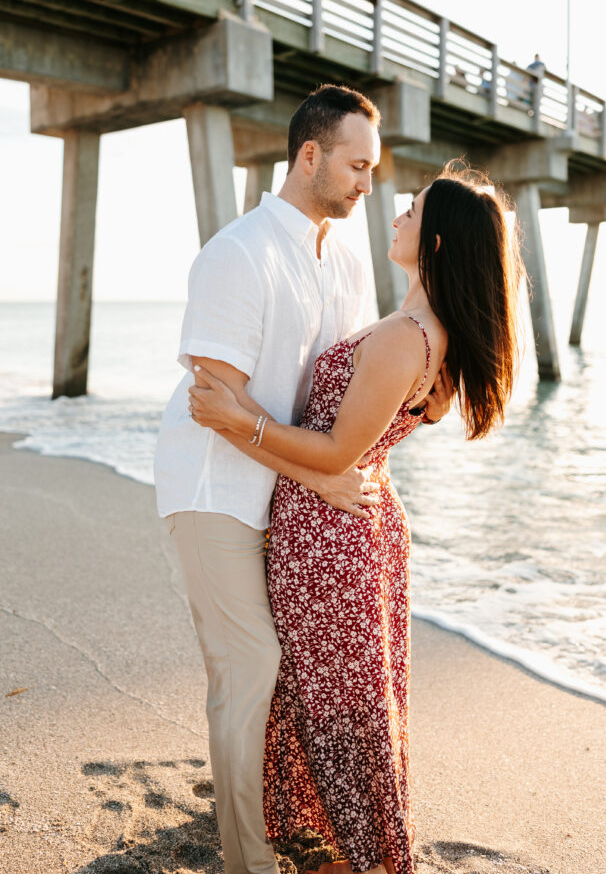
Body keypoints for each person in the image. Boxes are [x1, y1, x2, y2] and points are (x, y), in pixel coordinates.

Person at [189, 165, 524, 874]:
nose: (395, 215)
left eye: (410, 210)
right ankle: (336, 837)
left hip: (331, 533)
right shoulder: (424, 331)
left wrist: (237, 422)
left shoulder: (408, 335)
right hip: (349, 522)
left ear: (434, 240)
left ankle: (367, 851)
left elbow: (342, 448)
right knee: (339, 685)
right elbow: (370, 445)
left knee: (338, 695)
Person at [154, 84, 452, 874]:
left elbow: (344, 394)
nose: (366, 182)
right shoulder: (237, 252)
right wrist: (322, 478)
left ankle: (281, 816)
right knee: (249, 667)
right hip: (216, 487)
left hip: (287, 498)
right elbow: (217, 400)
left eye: (374, 168)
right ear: (309, 154)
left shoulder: (349, 259)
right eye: (356, 165)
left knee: (282, 676)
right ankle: (246, 860)